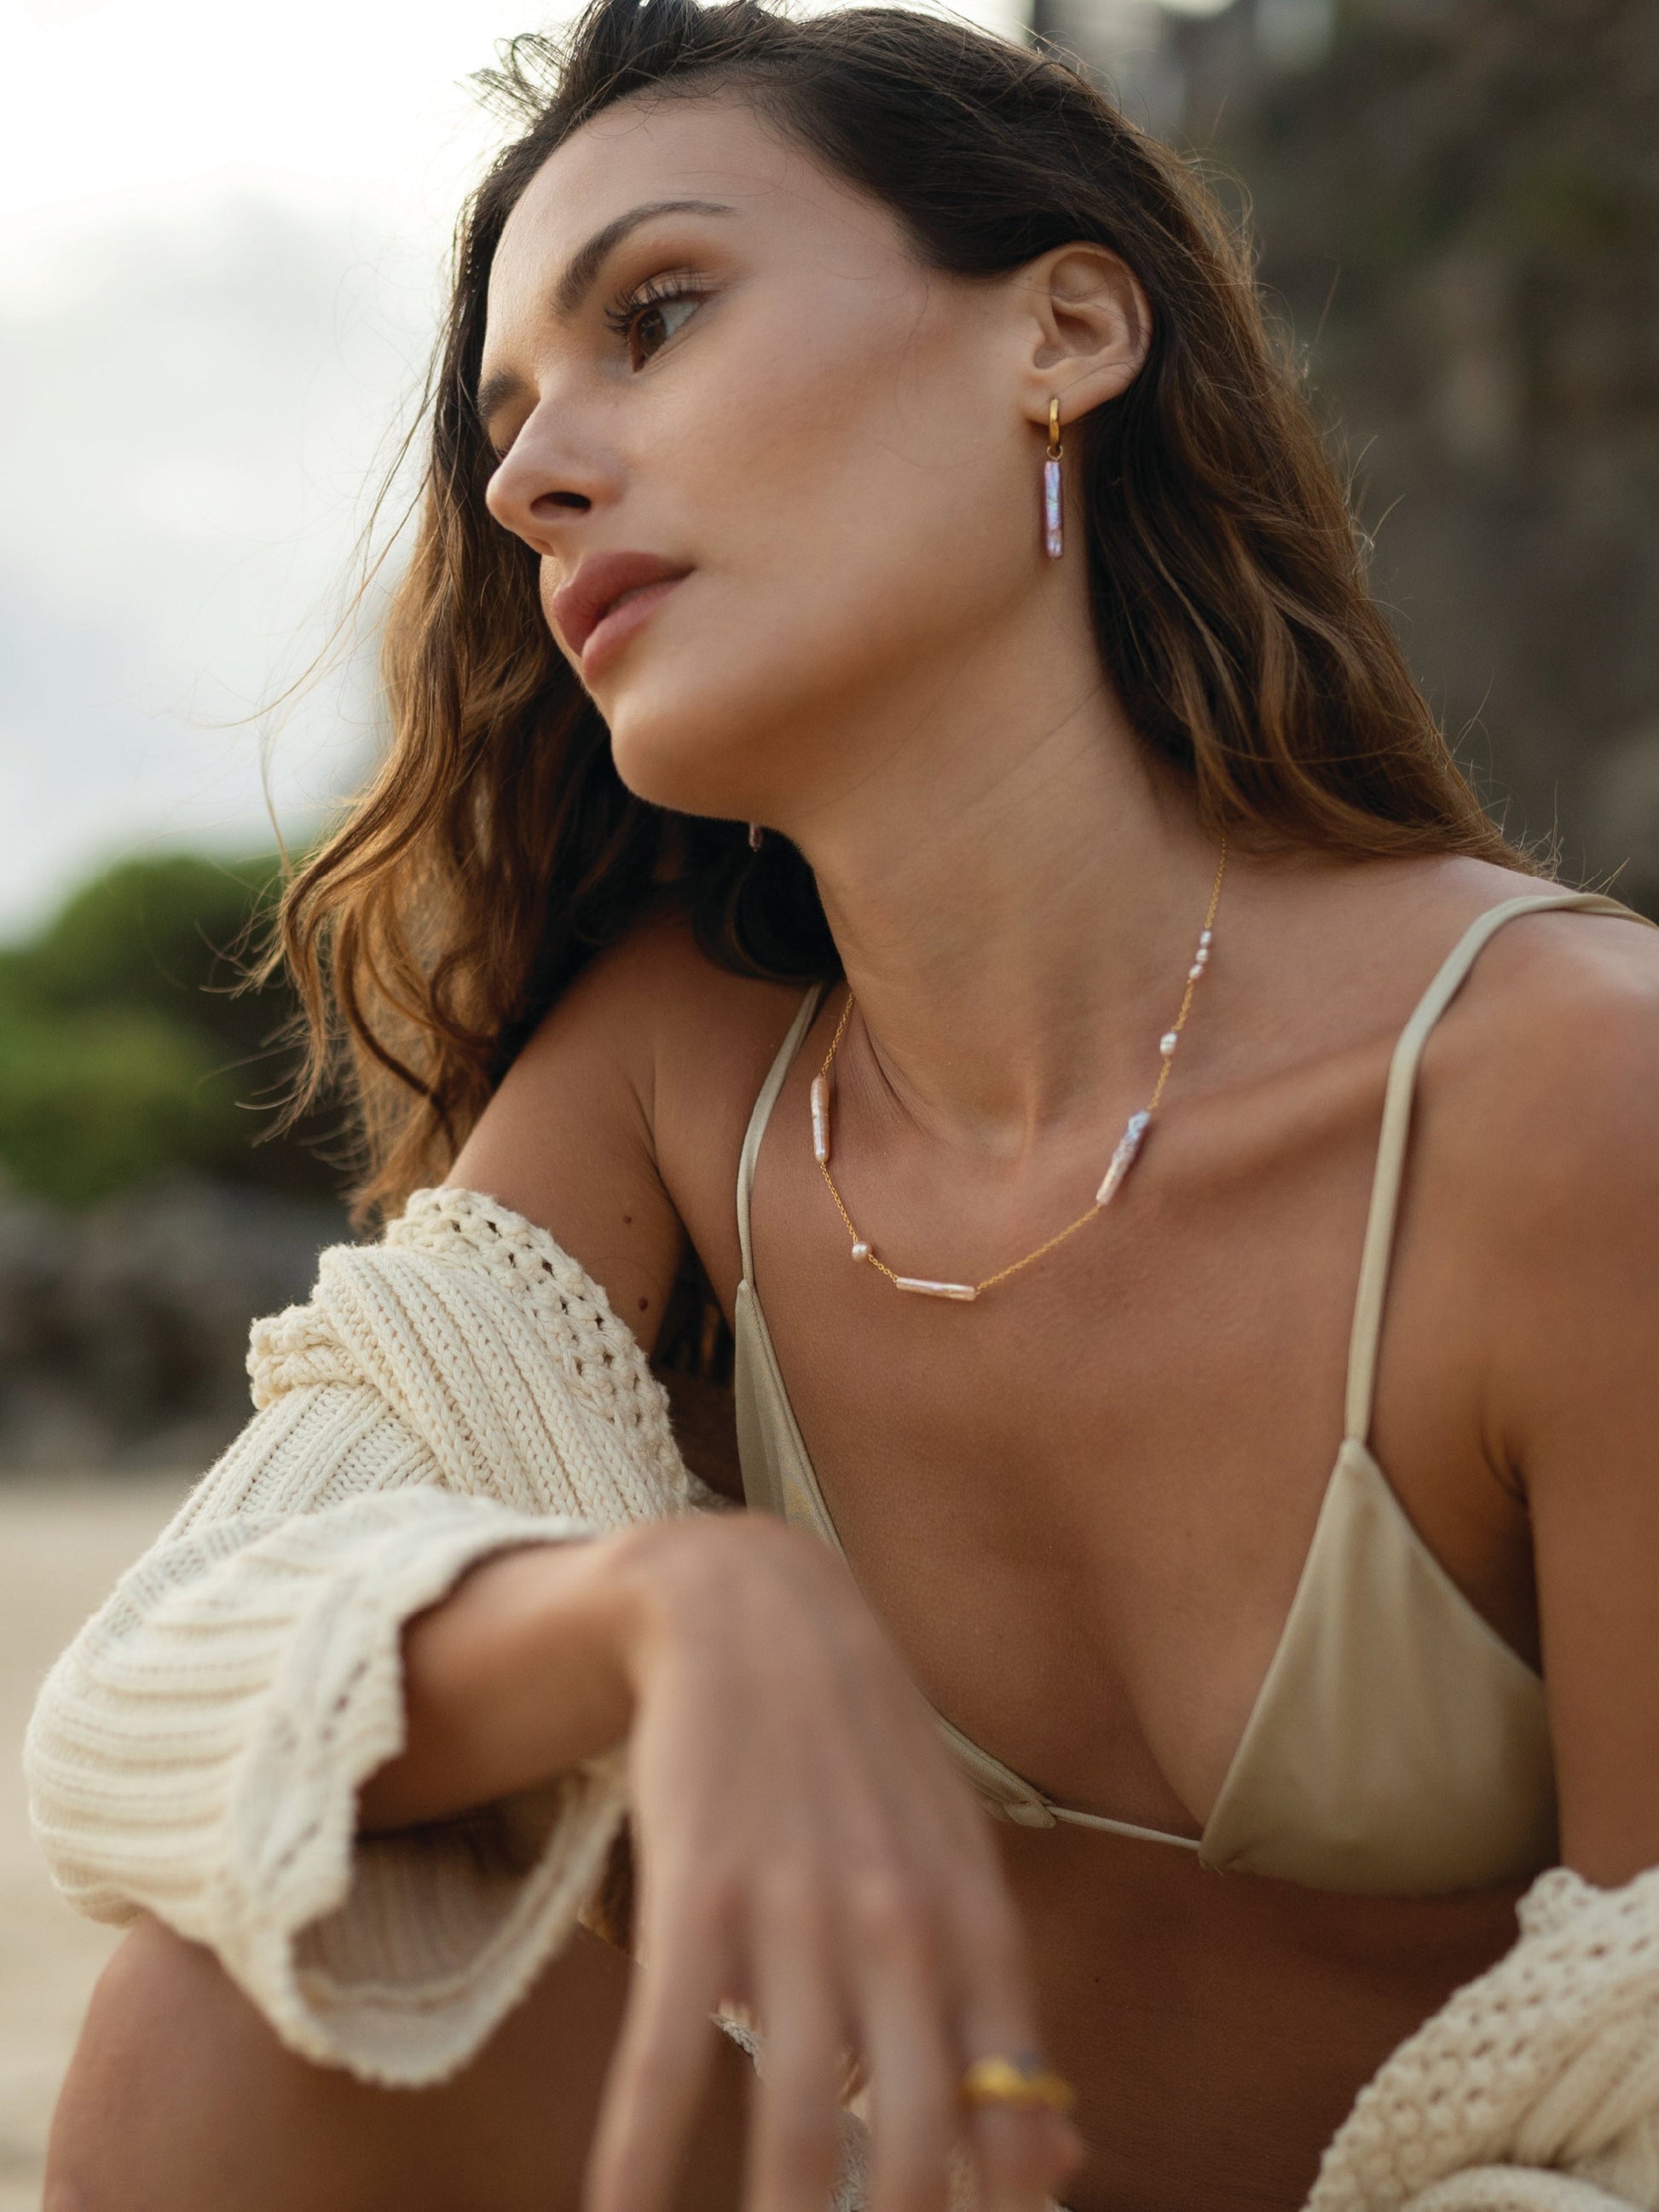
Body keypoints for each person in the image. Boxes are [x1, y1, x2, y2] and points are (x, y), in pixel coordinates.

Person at [28, 2, 1659, 2208]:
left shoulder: (1569, 1091)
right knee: (239, 2018)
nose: (528, 475)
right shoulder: (676, 1078)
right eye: (506, 423)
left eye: (659, 314)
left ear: (1063, 332)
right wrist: (671, 1610)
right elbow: (163, 1703)